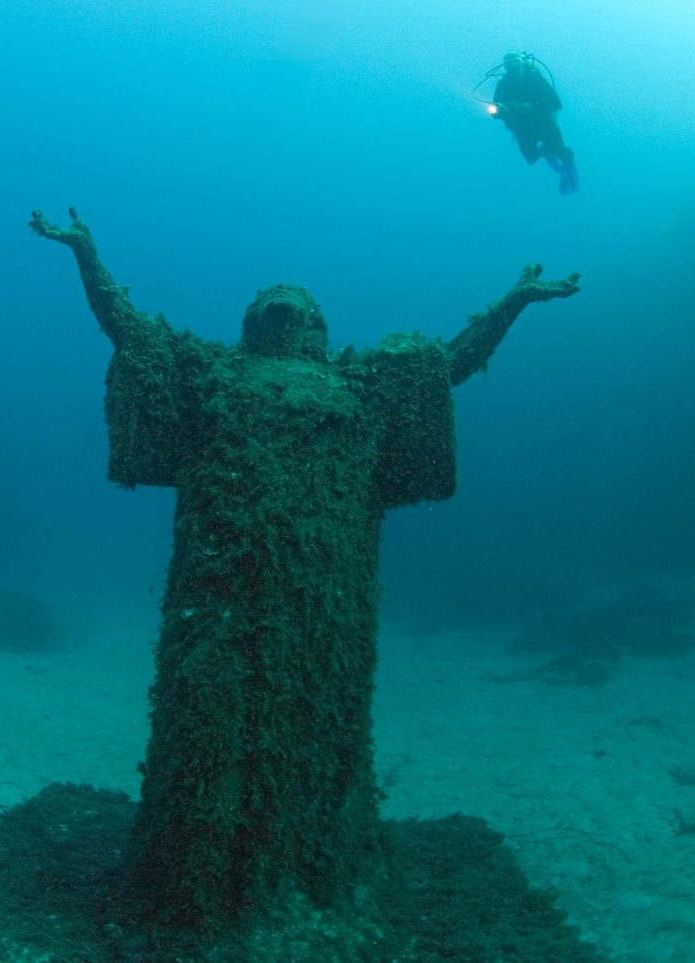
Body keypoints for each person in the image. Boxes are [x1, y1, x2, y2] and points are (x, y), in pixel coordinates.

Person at [29, 207, 579, 946]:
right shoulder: (211, 374)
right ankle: (203, 885)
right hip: (220, 596)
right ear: (255, 325)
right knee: (209, 729)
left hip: (329, 605)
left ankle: (310, 872)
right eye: (271, 304)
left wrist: (512, 303)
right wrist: (87, 257)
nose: (285, 309)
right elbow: (130, 330)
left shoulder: (366, 386)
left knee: (321, 729)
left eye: (297, 307)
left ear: (318, 328)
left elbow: (445, 366)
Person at [491, 51, 579, 194]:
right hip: (521, 127)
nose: (513, 66)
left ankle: (568, 166)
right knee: (531, 159)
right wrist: (500, 111)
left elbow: (556, 103)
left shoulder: (535, 79)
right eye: (508, 64)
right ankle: (545, 151)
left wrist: (530, 107)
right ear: (505, 67)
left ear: (522, 63)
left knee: (563, 154)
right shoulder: (503, 85)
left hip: (544, 123)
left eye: (516, 62)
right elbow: (496, 112)